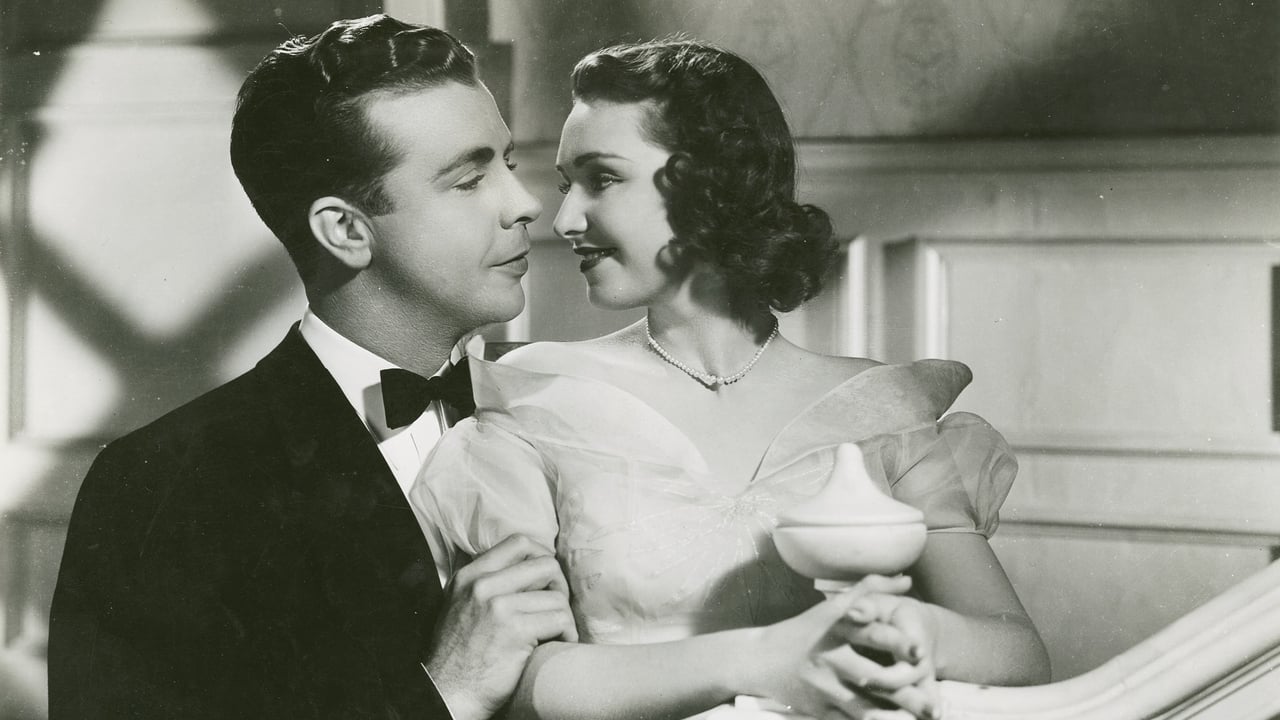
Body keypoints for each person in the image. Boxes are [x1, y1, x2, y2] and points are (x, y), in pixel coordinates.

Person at [412, 39, 1052, 719]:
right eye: (568, 185)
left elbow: (1019, 657)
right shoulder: (539, 393)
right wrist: (765, 657)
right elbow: (521, 679)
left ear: (708, 184)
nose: (566, 219)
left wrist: (914, 627)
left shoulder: (882, 409)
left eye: (601, 179)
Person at [47, 15, 578, 720]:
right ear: (346, 230)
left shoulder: (565, 407)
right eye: (468, 180)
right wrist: (448, 694)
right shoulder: (165, 486)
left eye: (507, 164)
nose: (526, 203)